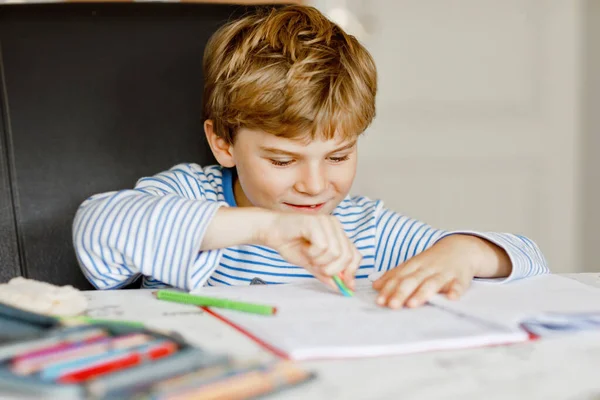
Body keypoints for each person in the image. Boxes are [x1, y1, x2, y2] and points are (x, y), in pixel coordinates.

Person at [73, 5, 548, 309]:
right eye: (283, 161)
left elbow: (531, 260)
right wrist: (268, 227)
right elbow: (97, 227)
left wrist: (462, 253)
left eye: (339, 156)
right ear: (223, 143)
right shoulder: (187, 194)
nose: (317, 186)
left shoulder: (365, 228)